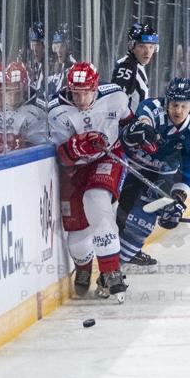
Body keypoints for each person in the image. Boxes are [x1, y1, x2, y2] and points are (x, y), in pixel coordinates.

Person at [48, 62, 134, 303]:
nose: (80, 98)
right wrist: (75, 147)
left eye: (86, 91)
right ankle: (84, 266)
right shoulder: (56, 110)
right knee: (76, 241)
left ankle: (111, 271)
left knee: (96, 202)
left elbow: (131, 124)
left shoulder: (115, 95)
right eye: (75, 92)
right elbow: (60, 156)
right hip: (74, 172)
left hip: (108, 158)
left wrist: (141, 134)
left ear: (96, 87)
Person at [116, 77, 190, 268]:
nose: (178, 110)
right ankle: (108, 253)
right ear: (167, 102)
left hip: (159, 175)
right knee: (117, 214)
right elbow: (143, 118)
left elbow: (189, 172)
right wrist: (142, 129)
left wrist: (178, 200)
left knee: (141, 222)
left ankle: (113, 269)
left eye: (183, 106)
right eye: (174, 104)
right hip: (127, 163)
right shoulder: (152, 108)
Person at [111, 22, 159, 113]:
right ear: (131, 46)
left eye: (151, 47)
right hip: (127, 126)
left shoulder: (137, 64)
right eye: (142, 46)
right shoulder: (126, 67)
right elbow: (116, 105)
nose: (147, 52)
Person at [47, 24, 76, 95]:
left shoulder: (72, 68)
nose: (58, 51)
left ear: (68, 46)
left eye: (62, 46)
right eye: (56, 46)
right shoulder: (61, 65)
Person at [27, 22, 46, 93]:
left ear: (44, 46)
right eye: (33, 45)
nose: (35, 50)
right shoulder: (34, 66)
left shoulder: (48, 69)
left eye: (37, 45)